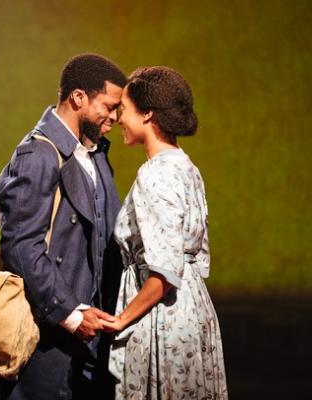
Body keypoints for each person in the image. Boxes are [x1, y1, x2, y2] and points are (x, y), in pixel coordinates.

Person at [0, 53, 126, 400]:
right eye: (109, 106)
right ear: (78, 97)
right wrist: (68, 312)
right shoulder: (37, 154)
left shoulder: (95, 153)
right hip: (46, 337)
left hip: (89, 342)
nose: (114, 116)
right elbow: (21, 246)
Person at [102, 66, 228, 399]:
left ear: (147, 115)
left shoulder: (156, 175)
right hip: (190, 308)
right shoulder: (185, 166)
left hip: (163, 317)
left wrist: (120, 320)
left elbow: (165, 271)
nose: (117, 119)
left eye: (124, 110)